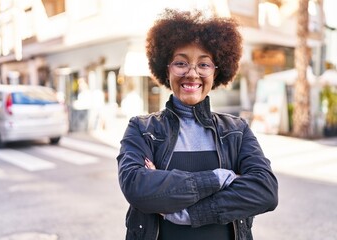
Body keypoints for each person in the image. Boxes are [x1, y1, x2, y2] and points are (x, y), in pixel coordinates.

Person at [117, 8, 278, 240]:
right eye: (181, 63)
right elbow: (137, 187)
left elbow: (266, 191)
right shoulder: (143, 129)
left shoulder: (236, 131)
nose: (192, 74)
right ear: (166, 69)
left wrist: (189, 213)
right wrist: (221, 178)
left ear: (216, 72)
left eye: (204, 65)